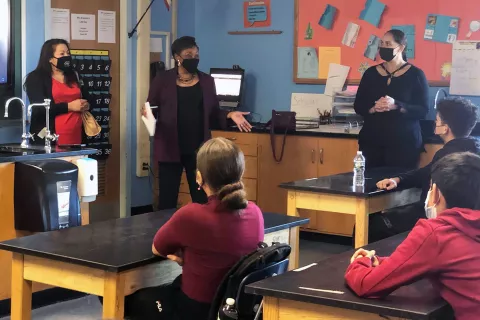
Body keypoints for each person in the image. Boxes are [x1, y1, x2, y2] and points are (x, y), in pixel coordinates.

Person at [124, 137, 264, 320]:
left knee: (129, 300)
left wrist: (186, 256)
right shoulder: (255, 212)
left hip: (194, 310)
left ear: (199, 177)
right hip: (235, 309)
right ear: (240, 172)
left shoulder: (191, 215)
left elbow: (157, 248)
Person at [345, 152, 480, 320]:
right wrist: (384, 262)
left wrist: (360, 263)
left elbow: (367, 285)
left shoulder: (436, 233)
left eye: (430, 188)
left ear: (436, 193)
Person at [146, 36, 252, 209]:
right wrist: (147, 115)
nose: (194, 58)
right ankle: (165, 233)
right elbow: (151, 111)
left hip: (199, 151)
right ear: (177, 57)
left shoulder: (207, 81)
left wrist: (230, 114)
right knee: (166, 200)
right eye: (189, 54)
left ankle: (201, 232)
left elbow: (214, 112)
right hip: (170, 148)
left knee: (202, 198)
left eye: (196, 54)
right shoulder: (162, 81)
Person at [371, 98, 479, 240]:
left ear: (445, 128)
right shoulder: (473, 150)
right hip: (467, 222)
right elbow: (426, 171)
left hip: (435, 219)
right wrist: (398, 179)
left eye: (437, 119)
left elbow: (428, 179)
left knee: (374, 223)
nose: (435, 123)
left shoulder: (447, 154)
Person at [354, 30, 429, 169]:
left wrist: (397, 106)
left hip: (404, 144)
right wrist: (373, 108)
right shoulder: (370, 73)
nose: (383, 47)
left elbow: (423, 110)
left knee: (399, 186)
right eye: (382, 43)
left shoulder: (416, 75)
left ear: (401, 48)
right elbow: (358, 105)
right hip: (372, 143)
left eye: (388, 44)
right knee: (370, 184)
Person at [24, 39, 90, 145]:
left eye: (68, 53)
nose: (66, 56)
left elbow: (88, 98)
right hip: (50, 137)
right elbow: (39, 108)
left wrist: (86, 104)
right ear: (50, 58)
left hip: (76, 135)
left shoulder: (75, 75)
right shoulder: (36, 78)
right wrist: (69, 106)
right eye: (62, 54)